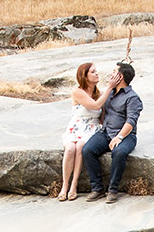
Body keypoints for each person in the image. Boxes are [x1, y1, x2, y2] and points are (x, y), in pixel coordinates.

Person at [58, 62, 121, 201]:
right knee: (70, 149)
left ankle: (74, 185)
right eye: (92, 72)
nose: (97, 73)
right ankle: (65, 185)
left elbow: (102, 113)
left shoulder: (98, 93)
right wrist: (110, 87)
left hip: (91, 128)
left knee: (81, 147)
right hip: (76, 126)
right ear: (85, 76)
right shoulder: (77, 92)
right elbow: (95, 105)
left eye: (96, 71)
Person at [82, 62, 143, 205]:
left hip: (125, 135)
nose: (110, 74)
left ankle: (113, 190)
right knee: (87, 150)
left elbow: (131, 121)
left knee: (119, 152)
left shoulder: (132, 98)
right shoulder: (109, 92)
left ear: (120, 76)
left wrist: (119, 137)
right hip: (106, 132)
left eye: (113, 71)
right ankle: (97, 188)